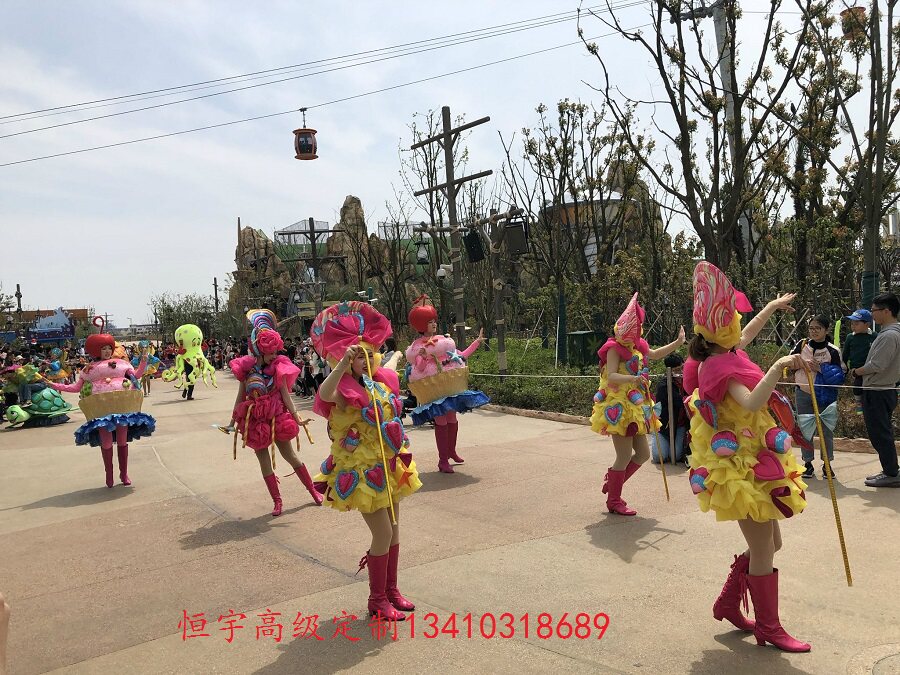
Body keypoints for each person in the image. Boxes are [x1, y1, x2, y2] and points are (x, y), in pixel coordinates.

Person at [687, 261, 809, 652]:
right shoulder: (718, 368)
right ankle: (768, 628)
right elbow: (754, 401)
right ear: (720, 331)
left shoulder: (726, 350)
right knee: (763, 547)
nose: (739, 325)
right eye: (733, 321)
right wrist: (779, 365)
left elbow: (748, 331)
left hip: (755, 454)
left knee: (771, 544)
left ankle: (728, 602)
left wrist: (772, 306)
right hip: (740, 464)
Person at [310, 301, 421, 621]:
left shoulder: (380, 382)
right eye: (356, 355)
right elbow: (324, 393)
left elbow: (393, 365)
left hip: (388, 465)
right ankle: (376, 599)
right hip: (361, 471)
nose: (364, 359)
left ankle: (391, 591)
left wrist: (396, 356)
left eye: (367, 354)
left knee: (394, 530)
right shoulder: (341, 389)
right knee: (382, 533)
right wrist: (342, 365)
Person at [591, 293, 685, 515]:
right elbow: (611, 375)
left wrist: (678, 342)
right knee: (624, 456)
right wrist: (633, 379)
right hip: (619, 406)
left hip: (636, 405)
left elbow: (655, 354)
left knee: (642, 453)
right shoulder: (613, 348)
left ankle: (613, 480)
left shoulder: (638, 345)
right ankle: (614, 500)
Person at [226, 310, 323, 516]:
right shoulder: (246, 371)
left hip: (277, 418)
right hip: (256, 422)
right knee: (264, 462)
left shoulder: (278, 369)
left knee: (290, 456)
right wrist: (232, 423)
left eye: (275, 351)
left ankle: (312, 491)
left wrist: (297, 418)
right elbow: (240, 397)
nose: (275, 355)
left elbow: (286, 396)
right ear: (260, 351)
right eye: (271, 352)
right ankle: (277, 501)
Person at [49, 321, 153, 488]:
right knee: (106, 443)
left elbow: (137, 375)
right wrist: (54, 385)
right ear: (96, 350)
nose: (107, 351)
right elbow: (75, 388)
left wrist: (144, 361)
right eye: (103, 348)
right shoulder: (89, 369)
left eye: (109, 348)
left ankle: (124, 474)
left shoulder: (122, 364)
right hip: (101, 411)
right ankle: (109, 475)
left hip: (123, 408)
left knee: (122, 441)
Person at [404, 296, 489, 473]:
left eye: (434, 321)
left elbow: (461, 355)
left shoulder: (444, 342)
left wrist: (477, 342)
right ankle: (443, 460)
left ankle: (452, 452)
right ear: (422, 325)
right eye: (429, 322)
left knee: (452, 419)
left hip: (449, 387)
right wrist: (423, 357)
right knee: (441, 421)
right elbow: (420, 368)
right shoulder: (418, 347)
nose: (434, 324)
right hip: (434, 390)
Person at [850, 293, 900, 488]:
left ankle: (891, 473)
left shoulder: (889, 335)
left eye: (874, 310)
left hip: (878, 390)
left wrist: (857, 371)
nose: (872, 314)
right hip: (883, 389)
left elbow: (877, 364)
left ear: (886, 311)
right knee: (881, 432)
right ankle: (890, 469)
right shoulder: (891, 333)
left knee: (880, 434)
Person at [789, 315, 844, 479]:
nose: (814, 331)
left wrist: (821, 369)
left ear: (826, 330)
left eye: (818, 328)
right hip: (803, 392)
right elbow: (788, 363)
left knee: (826, 430)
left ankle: (827, 464)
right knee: (805, 429)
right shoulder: (801, 345)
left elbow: (840, 375)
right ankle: (807, 463)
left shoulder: (833, 351)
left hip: (824, 395)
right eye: (811, 328)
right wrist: (799, 364)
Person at [650, 354, 689, 466]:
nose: (681, 372)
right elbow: (680, 402)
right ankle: (657, 437)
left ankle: (678, 447)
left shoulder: (687, 380)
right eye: (677, 370)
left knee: (675, 456)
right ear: (669, 371)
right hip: (664, 427)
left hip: (680, 426)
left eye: (682, 368)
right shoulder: (664, 385)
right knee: (660, 457)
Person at [841, 309, 875, 415]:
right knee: (857, 386)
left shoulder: (874, 336)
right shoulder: (850, 337)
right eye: (852, 323)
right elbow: (845, 354)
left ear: (867, 324)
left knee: (871, 391)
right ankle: (858, 403)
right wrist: (844, 369)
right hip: (856, 370)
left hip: (871, 369)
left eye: (856, 323)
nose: (853, 326)